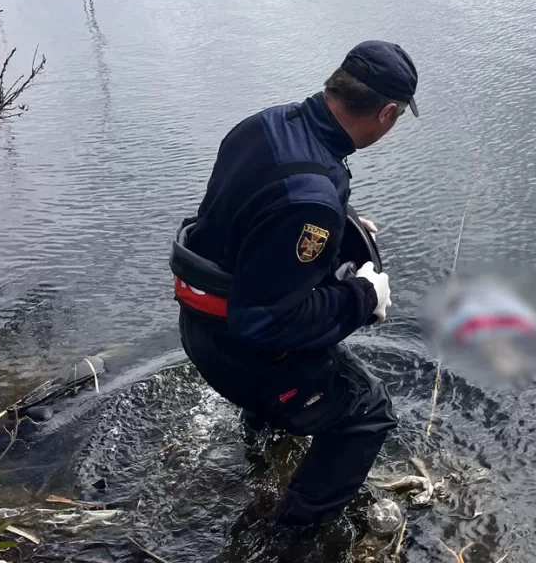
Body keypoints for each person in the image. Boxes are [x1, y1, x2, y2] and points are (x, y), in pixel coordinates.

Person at [171, 40, 420, 530]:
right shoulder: (311, 203)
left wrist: (339, 225)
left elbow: (258, 212)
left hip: (199, 321)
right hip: (237, 348)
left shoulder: (267, 124)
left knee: (302, 381)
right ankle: (292, 537)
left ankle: (265, 453)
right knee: (367, 413)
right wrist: (364, 296)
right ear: (388, 112)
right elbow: (265, 322)